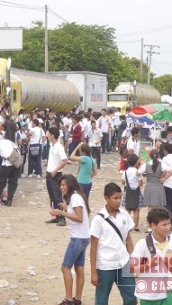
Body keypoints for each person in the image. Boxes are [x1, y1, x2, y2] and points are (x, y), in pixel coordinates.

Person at [89, 182, 137, 305]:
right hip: (105, 265)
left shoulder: (124, 215)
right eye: (115, 198)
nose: (118, 201)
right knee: (102, 300)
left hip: (124, 262)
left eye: (120, 198)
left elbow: (128, 239)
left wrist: (132, 260)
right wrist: (94, 272)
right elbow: (93, 247)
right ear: (106, 198)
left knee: (132, 296)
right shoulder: (98, 220)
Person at [49, 175, 90, 305]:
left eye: (64, 185)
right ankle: (77, 299)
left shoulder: (75, 197)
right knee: (79, 268)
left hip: (78, 238)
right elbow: (76, 211)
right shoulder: (76, 197)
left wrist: (61, 213)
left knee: (65, 268)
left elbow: (79, 217)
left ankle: (68, 299)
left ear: (70, 185)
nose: (61, 188)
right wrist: (65, 207)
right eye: (61, 185)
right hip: (84, 237)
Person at [131, 207, 171, 305]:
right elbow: (132, 268)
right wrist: (149, 264)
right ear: (153, 226)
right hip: (148, 295)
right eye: (164, 225)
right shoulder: (142, 244)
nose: (168, 227)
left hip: (169, 294)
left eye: (169, 223)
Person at [0, 121, 21, 206]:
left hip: (6, 164)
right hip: (16, 163)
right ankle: (9, 200)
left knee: (1, 183)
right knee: (13, 182)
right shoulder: (12, 142)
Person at [45, 127, 68, 226]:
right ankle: (56, 216)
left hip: (56, 174)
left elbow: (65, 160)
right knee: (52, 197)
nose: (47, 134)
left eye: (48, 133)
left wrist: (55, 170)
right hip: (49, 174)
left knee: (58, 197)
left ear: (52, 135)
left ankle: (62, 218)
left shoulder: (59, 146)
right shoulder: (52, 145)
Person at [121, 154, 143, 231]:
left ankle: (127, 226)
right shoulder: (137, 172)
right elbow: (140, 184)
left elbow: (123, 182)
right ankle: (135, 226)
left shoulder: (125, 172)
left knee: (127, 209)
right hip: (137, 191)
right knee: (136, 210)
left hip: (128, 192)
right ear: (136, 162)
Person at [143, 149, 166, 216]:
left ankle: (150, 222)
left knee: (150, 206)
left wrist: (146, 175)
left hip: (149, 186)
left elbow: (138, 172)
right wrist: (163, 177)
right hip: (158, 185)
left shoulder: (146, 165)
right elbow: (170, 171)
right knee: (159, 206)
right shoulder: (161, 164)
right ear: (158, 156)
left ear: (150, 156)